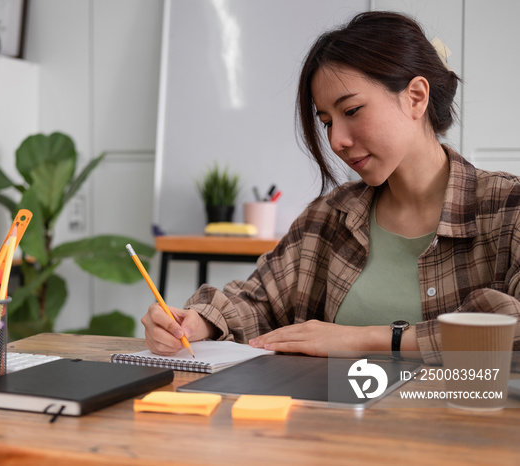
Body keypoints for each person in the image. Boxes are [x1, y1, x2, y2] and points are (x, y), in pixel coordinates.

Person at [141, 11, 520, 363]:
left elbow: (512, 331)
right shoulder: (329, 217)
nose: (336, 140)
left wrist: (362, 339)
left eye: (351, 111)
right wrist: (196, 323)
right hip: (329, 432)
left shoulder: (508, 209)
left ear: (416, 97)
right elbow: (257, 301)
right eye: (326, 122)